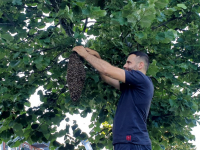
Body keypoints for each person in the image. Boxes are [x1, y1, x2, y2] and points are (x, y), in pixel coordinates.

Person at [73, 46, 154, 150]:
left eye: (129, 62)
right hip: (126, 142)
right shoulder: (131, 86)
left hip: (133, 142)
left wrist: (85, 55)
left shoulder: (142, 79)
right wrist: (97, 57)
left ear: (140, 65)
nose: (125, 65)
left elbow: (107, 70)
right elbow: (107, 77)